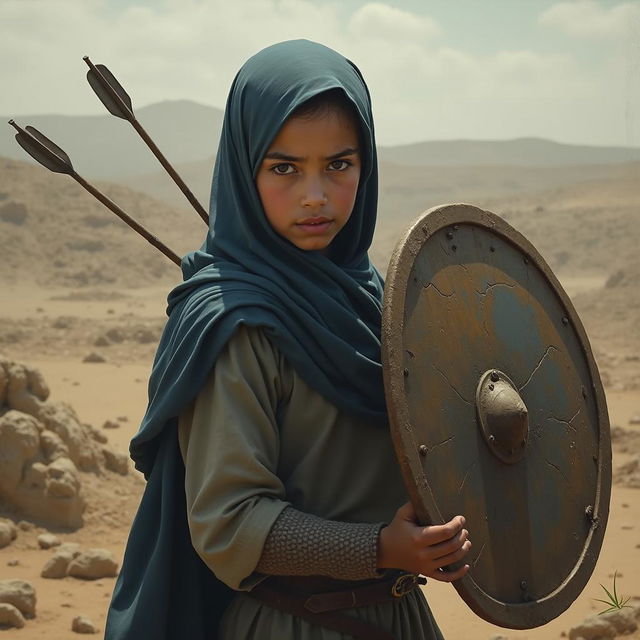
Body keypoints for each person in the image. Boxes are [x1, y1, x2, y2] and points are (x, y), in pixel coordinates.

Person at [105, 39, 471, 640]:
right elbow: (229, 521)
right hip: (291, 623)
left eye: (339, 165)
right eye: (284, 168)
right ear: (243, 169)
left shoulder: (377, 300)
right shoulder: (237, 324)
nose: (315, 196)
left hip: (399, 616)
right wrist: (380, 547)